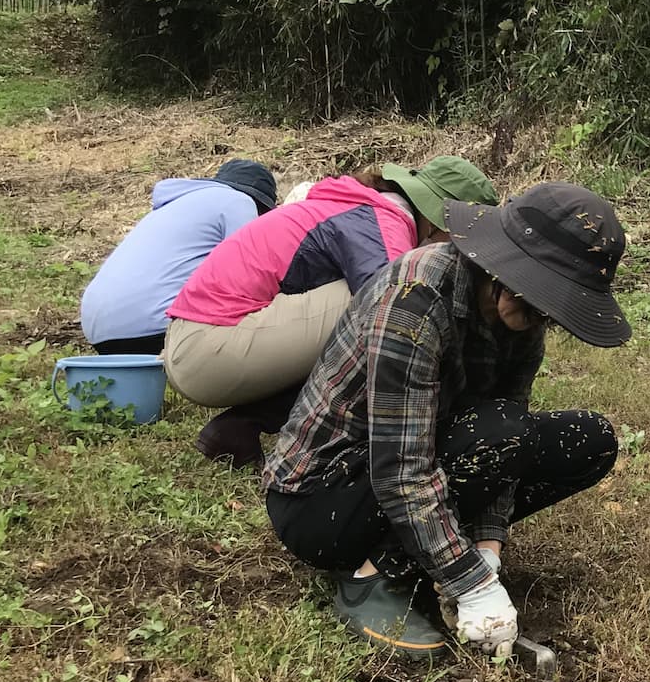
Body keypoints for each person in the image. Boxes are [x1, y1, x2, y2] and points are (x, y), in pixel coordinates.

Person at [263, 182, 629, 658]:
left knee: (587, 439)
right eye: (538, 299)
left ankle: (432, 552)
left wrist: (488, 551)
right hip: (326, 494)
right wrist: (470, 585)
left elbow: (506, 444)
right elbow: (399, 468)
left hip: (420, 461)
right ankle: (371, 577)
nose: (542, 317)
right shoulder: (415, 299)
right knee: (503, 428)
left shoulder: (522, 322)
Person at [165, 156, 497, 466]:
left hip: (203, 342)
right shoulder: (382, 222)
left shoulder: (363, 207)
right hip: (209, 348)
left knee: (381, 302)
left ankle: (242, 425)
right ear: (441, 219)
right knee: (394, 304)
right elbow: (397, 324)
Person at [79, 159, 277, 355]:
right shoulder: (238, 201)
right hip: (158, 329)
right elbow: (248, 272)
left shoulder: (173, 206)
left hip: (98, 331)